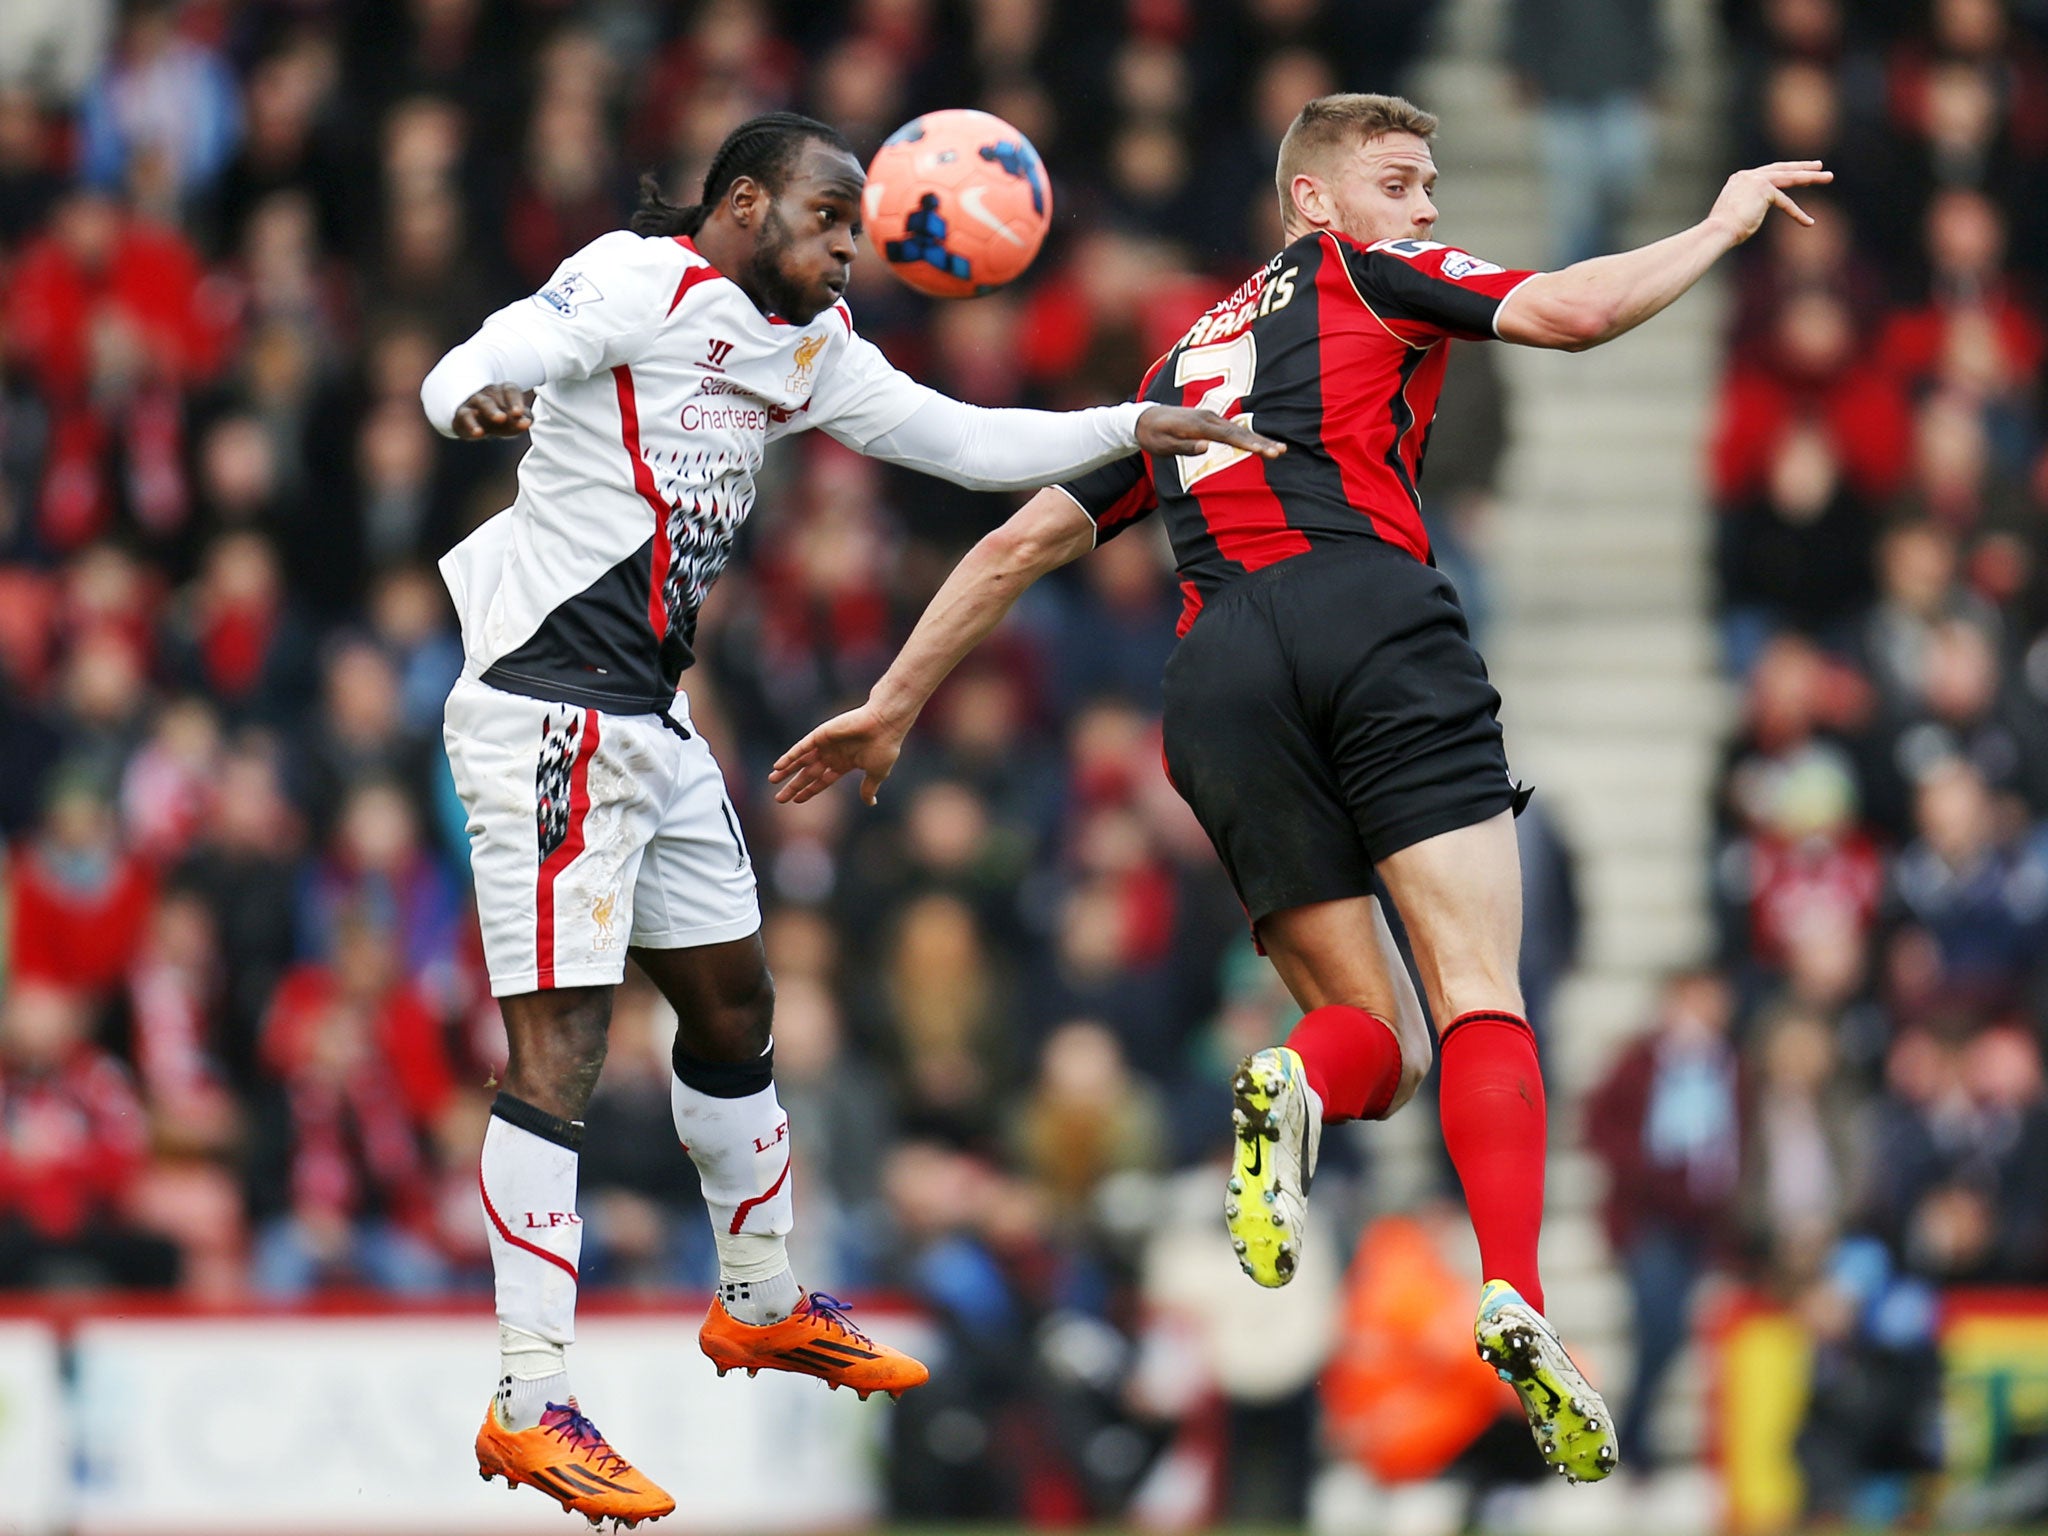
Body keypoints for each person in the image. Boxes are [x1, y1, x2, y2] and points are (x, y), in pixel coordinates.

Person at [771, 92, 1831, 1485]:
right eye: (1401, 181)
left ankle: (1288, 1077)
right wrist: (1722, 219)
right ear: (1316, 206)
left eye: (1434, 185)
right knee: (1479, 994)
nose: (1427, 209)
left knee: (1363, 1043)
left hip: (1216, 673)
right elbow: (1574, 313)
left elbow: (1028, 536)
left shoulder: (1181, 364)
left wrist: (893, 701)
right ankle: (1512, 1289)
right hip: (1369, 615)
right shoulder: (1363, 276)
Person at [418, 110, 1272, 1527]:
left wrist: (1135, 426)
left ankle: (757, 1301)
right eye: (827, 225)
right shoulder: (635, 281)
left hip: (654, 716)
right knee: (562, 1042)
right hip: (547, 703)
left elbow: (965, 441)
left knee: (739, 1007)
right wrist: (474, 400)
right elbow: (484, 354)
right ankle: (528, 1399)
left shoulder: (805, 349)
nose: (848, 255)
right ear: (744, 204)